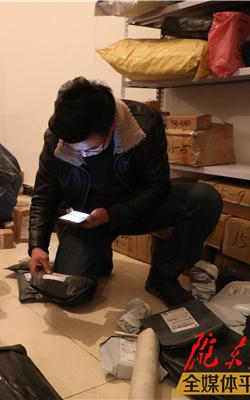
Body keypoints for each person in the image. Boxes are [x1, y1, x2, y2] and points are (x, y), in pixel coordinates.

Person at [28, 77, 222, 307]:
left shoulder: (145, 124)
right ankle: (100, 257)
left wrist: (112, 214)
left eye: (86, 148)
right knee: (71, 293)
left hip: (138, 208)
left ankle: (163, 277)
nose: (77, 152)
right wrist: (37, 246)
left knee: (204, 199)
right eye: (71, 147)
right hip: (88, 218)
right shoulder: (58, 136)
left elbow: (158, 185)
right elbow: (44, 194)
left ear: (112, 126)